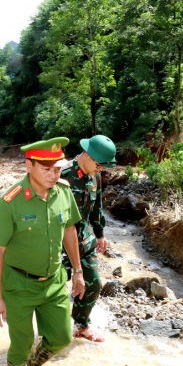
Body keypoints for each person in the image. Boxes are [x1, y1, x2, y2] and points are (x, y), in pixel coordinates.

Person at [0, 137, 85, 366]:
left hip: (53, 282)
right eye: (46, 168)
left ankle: (35, 363)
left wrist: (78, 271)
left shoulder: (63, 192)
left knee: (62, 337)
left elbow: (70, 230)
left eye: (58, 168)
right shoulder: (11, 202)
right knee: (21, 344)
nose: (53, 175)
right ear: (29, 166)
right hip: (19, 285)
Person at [60, 134, 116, 343]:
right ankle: (50, 328)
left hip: (84, 239)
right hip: (60, 242)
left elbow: (97, 207)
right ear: (88, 156)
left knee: (93, 283)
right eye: (99, 165)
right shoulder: (63, 173)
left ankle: (81, 325)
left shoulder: (95, 175)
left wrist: (100, 234)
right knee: (55, 287)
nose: (100, 170)